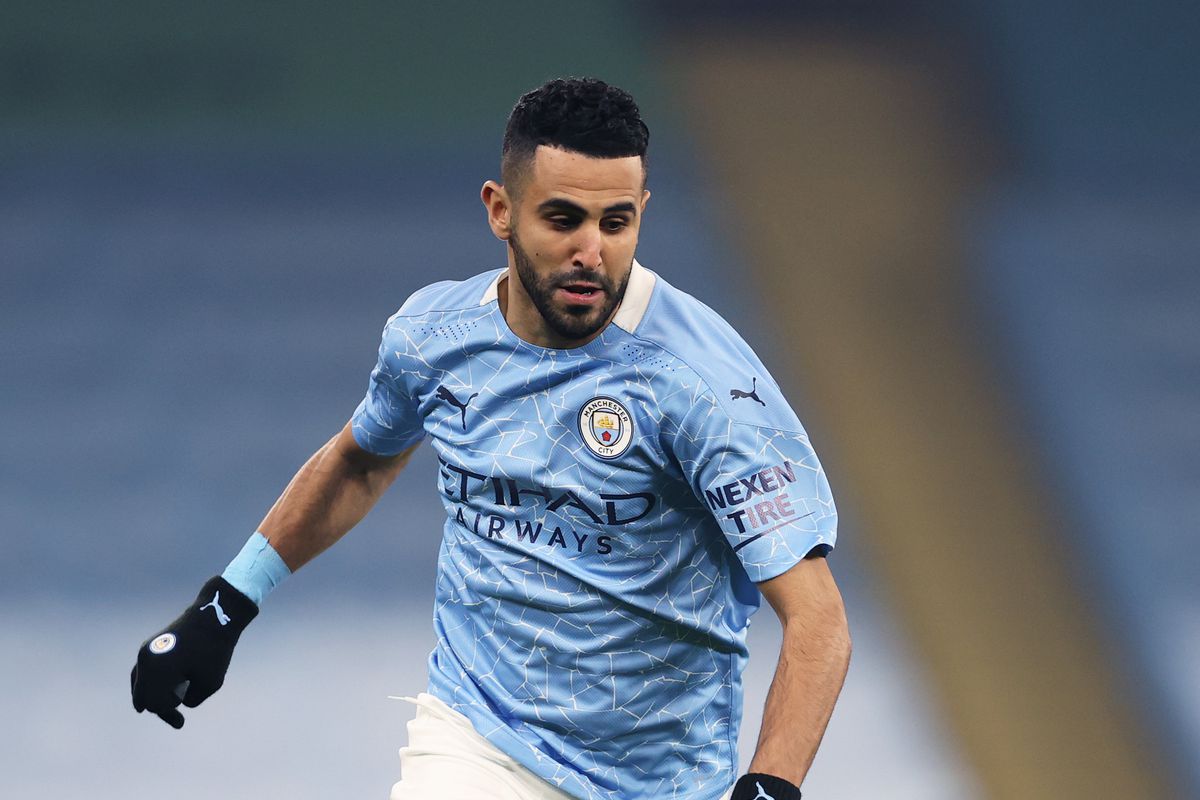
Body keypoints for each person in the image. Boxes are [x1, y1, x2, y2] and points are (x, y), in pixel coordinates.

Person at [131, 77, 851, 800]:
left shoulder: (704, 385)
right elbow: (358, 465)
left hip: (661, 780)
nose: (591, 251)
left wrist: (770, 786)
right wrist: (222, 609)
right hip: (479, 743)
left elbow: (817, 620)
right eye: (563, 219)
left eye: (616, 222)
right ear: (500, 210)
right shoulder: (435, 338)